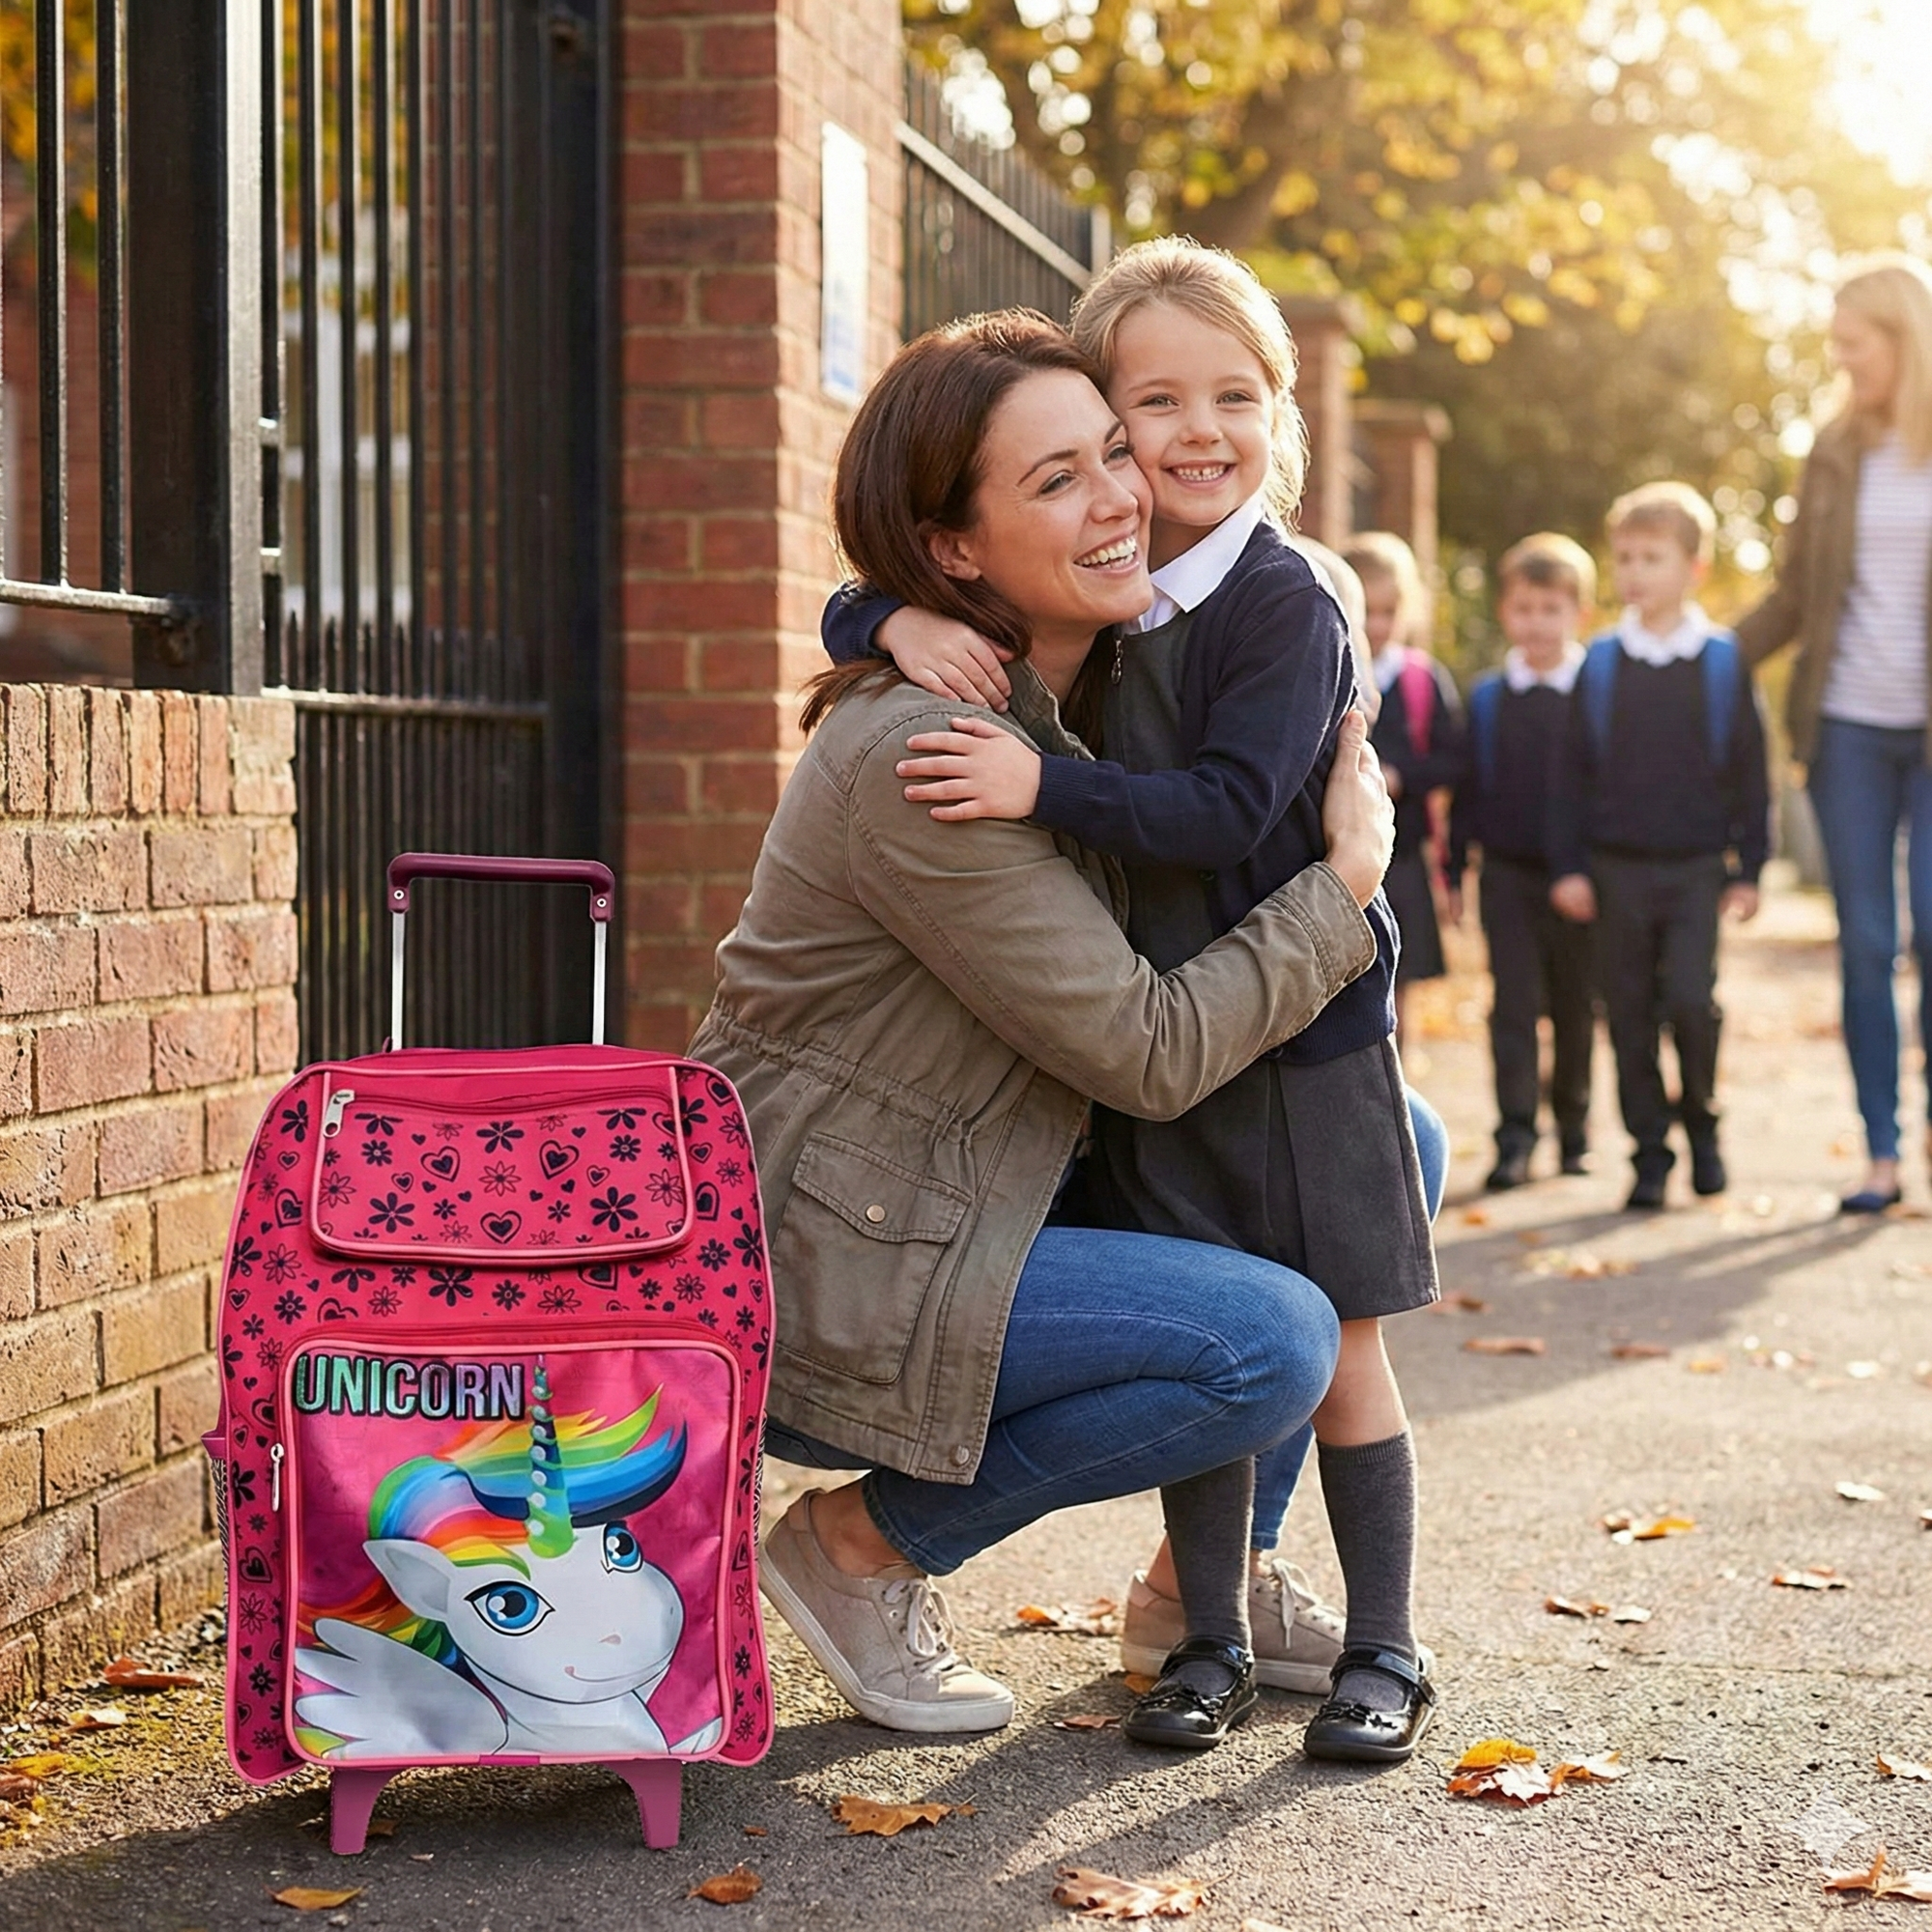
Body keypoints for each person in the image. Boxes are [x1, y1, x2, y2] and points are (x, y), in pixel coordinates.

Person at [696, 312, 1402, 1758]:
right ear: (956, 551)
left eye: (1114, 456)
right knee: (1270, 1340)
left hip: (961, 1196)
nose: (1126, 494)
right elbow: (1149, 1051)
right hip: (836, 1255)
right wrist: (1343, 892)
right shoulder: (934, 758)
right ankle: (861, 1544)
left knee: (1392, 1140)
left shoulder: (1072, 699)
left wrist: (874, 605)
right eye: (1060, 481)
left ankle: (1193, 1594)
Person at [1736, 255, 1932, 1214]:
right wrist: (1702, 657)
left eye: (1854, 347)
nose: (1843, 364)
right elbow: (1793, 591)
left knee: (1930, 928)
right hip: (1848, 723)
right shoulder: (1829, 452)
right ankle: (1880, 1154)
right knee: (1864, 938)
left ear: (1901, 339)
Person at [1548, 482, 1770, 1210]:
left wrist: (1751, 867)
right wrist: (1571, 867)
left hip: (1698, 867)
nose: (1636, 572)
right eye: (1626, 558)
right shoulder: (1604, 663)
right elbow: (1572, 774)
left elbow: (1749, 768)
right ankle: (1649, 1153)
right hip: (1616, 870)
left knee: (1690, 999)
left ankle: (1703, 1126)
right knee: (1631, 1010)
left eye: (1653, 557)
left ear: (1693, 568)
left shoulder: (1720, 661)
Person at [1449, 533, 1600, 1190]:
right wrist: (1454, 869)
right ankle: (1515, 1137)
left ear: (1578, 614)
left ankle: (1574, 1132)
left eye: (1552, 609)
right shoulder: (1488, 698)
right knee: (1512, 1006)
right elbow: (1466, 789)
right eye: (1525, 608)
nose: (1537, 623)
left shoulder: (1597, 692)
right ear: (1507, 614)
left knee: (1573, 1005)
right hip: (1506, 874)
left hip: (1580, 878)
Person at [1347, 530, 1463, 1048]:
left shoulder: (1421, 679)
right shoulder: (1331, 668)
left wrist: (1401, 778)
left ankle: (1401, 1060)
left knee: (1402, 973)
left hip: (1405, 850)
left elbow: (1453, 758)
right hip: (1341, 852)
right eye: (1366, 610)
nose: (1376, 624)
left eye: (1389, 610)